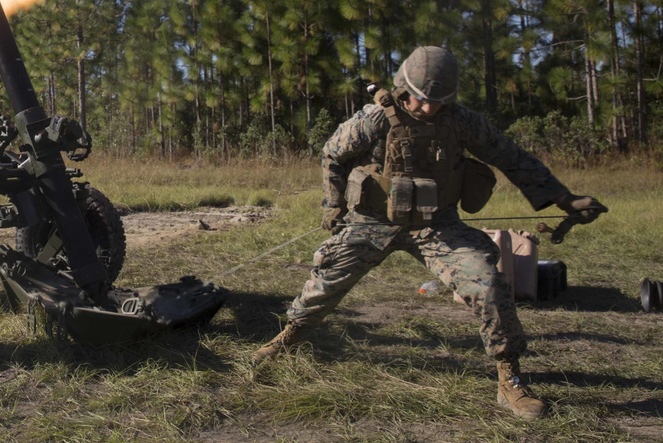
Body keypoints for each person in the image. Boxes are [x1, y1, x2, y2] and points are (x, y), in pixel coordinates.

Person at [253, 46, 608, 420]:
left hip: (438, 224)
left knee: (487, 282)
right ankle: (288, 338)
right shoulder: (374, 118)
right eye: (421, 100)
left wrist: (563, 198)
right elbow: (332, 155)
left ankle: (510, 381)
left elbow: (512, 157)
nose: (428, 109)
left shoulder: (462, 122)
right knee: (326, 280)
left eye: (438, 101)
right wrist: (333, 205)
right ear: (404, 87)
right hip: (374, 222)